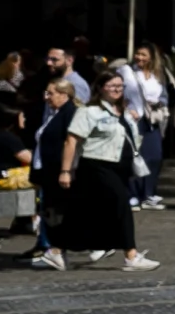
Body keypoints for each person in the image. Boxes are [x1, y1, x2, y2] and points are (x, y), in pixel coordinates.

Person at [39, 68, 151, 271]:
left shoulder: (123, 112)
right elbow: (72, 140)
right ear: (100, 88)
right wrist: (66, 171)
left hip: (119, 167)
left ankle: (56, 250)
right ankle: (131, 256)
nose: (117, 90)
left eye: (120, 86)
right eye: (112, 86)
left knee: (86, 211)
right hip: (96, 165)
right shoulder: (90, 112)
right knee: (122, 205)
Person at [26, 46, 76, 264]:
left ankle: (57, 250)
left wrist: (65, 170)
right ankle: (52, 249)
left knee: (57, 211)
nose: (47, 97)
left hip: (57, 169)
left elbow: (70, 142)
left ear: (64, 95)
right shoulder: (54, 114)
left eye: (51, 93)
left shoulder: (68, 113)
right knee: (48, 210)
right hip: (46, 169)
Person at [122, 43, 171, 208]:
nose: (139, 58)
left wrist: (157, 103)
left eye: (143, 55)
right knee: (135, 156)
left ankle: (148, 193)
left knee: (155, 156)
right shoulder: (127, 72)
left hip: (152, 120)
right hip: (133, 119)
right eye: (137, 54)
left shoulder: (158, 75)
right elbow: (114, 91)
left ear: (151, 57)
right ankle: (132, 194)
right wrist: (125, 107)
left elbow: (165, 96)